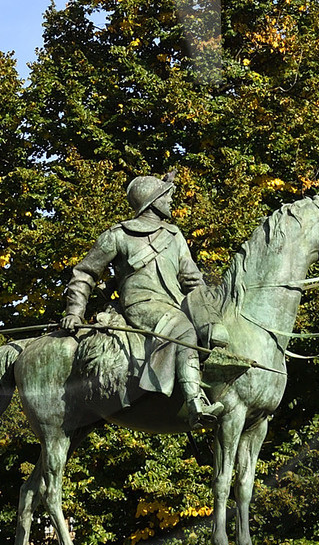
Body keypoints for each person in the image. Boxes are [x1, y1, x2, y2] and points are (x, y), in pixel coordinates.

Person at [61, 172, 222, 421]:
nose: (171, 201)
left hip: (173, 305)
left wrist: (208, 306)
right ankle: (195, 403)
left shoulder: (174, 235)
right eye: (166, 196)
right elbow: (84, 273)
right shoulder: (118, 235)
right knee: (184, 331)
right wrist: (74, 311)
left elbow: (191, 278)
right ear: (152, 200)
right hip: (141, 306)